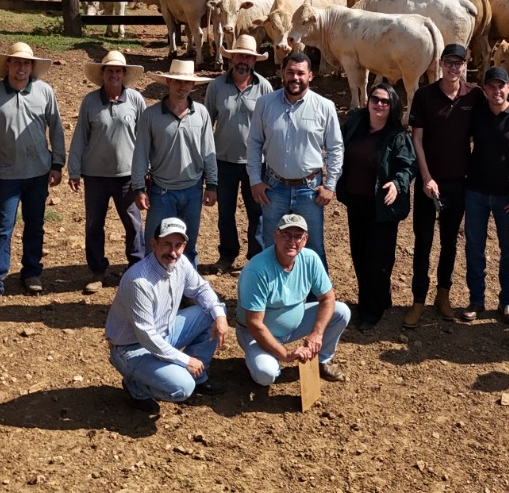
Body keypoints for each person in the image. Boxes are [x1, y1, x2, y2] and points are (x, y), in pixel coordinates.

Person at [404, 43, 509, 328]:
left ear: (464, 66)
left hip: (459, 182)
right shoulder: (424, 95)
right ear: (440, 63)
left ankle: (443, 296)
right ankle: (418, 300)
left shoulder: (474, 94)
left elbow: (502, 104)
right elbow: (417, 140)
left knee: (450, 243)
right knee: (423, 242)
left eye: (458, 63)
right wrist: (425, 178)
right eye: (448, 62)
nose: (453, 68)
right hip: (428, 183)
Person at [0, 41, 65, 313]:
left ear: (32, 67)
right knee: (1, 228)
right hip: (7, 175)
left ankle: (31, 271)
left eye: (27, 63)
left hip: (38, 172)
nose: (22, 68)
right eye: (17, 63)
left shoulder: (44, 92)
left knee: (35, 224)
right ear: (8, 65)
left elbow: (56, 128)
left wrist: (57, 162)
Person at [105, 217, 229, 413]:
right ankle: (136, 387)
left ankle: (198, 376)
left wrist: (220, 317)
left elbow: (201, 289)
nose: (172, 252)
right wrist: (185, 360)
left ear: (184, 245)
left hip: (165, 333)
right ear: (154, 244)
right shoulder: (139, 282)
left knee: (212, 312)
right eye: (167, 245)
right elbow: (147, 336)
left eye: (178, 245)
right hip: (133, 349)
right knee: (182, 388)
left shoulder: (181, 262)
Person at [246, 52, 342, 264]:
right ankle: (274, 295)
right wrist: (255, 180)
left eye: (300, 73)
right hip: (273, 187)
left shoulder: (324, 106)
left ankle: (315, 297)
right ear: (282, 73)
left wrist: (331, 185)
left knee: (313, 248)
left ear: (311, 76)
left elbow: (335, 148)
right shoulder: (265, 104)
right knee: (272, 245)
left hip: (310, 190)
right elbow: (254, 143)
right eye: (290, 72)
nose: (295, 78)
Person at [236, 214, 351, 388]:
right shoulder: (257, 270)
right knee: (266, 374)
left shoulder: (310, 259)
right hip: (256, 334)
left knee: (341, 312)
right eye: (286, 235)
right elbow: (254, 324)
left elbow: (328, 298)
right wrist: (285, 355)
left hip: (295, 325)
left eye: (298, 236)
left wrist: (316, 334)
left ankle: (322, 359)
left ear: (305, 239)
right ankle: (266, 356)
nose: (292, 241)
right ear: (275, 235)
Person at [336, 79, 415, 330]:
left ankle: (371, 312)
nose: (379, 104)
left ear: (392, 106)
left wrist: (397, 183)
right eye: (375, 99)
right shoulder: (355, 124)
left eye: (385, 101)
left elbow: (408, 165)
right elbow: (337, 146)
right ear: (368, 101)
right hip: (355, 200)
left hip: (382, 205)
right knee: (360, 254)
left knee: (379, 259)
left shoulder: (398, 135)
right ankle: (377, 298)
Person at [461, 66, 509, 324]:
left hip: (508, 195)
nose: (497, 91)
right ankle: (477, 300)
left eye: (501, 86)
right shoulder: (477, 113)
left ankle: (507, 303)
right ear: (485, 89)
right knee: (474, 247)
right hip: (476, 191)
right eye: (491, 86)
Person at [68, 50, 147, 294]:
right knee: (94, 224)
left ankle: (136, 268)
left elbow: (145, 138)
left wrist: (147, 170)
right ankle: (97, 270)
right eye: (110, 70)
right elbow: (80, 135)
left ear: (124, 74)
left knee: (133, 224)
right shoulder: (90, 102)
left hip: (128, 175)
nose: (114, 74)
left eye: (118, 71)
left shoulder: (135, 100)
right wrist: (74, 169)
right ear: (103, 74)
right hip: (95, 175)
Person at [130, 60, 218, 267]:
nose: (182, 87)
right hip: (161, 191)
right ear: (168, 81)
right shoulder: (150, 115)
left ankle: (187, 292)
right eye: (178, 81)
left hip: (193, 189)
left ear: (193, 85)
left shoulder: (202, 114)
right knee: (155, 243)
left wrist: (212, 184)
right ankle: (151, 291)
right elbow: (140, 153)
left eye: (187, 82)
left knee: (188, 244)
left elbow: (209, 152)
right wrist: (138, 188)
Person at [202, 34, 274, 274]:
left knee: (257, 213)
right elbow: (206, 123)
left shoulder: (264, 87)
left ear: (254, 61)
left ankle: (256, 257)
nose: (244, 60)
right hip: (223, 159)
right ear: (232, 57)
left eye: (249, 57)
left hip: (256, 162)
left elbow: (271, 127)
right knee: (226, 212)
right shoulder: (216, 86)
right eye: (240, 55)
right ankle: (227, 254)